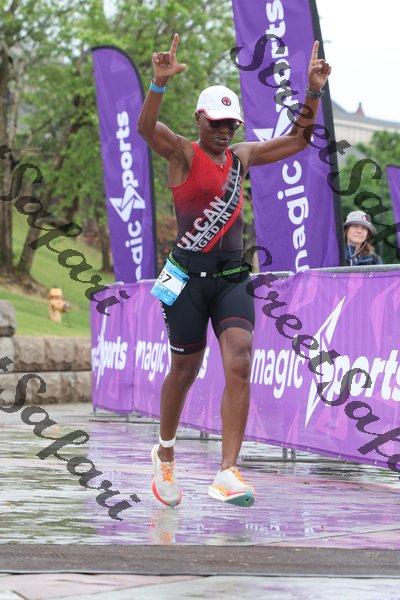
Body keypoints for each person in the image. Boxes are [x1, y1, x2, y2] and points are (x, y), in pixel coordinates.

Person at [137, 33, 331, 508]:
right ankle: (165, 453)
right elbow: (146, 128)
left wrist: (312, 91)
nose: (225, 132)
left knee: (240, 360)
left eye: (231, 124)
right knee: (184, 369)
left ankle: (227, 470)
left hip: (230, 278)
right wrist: (158, 84)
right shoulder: (182, 153)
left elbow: (298, 139)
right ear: (200, 120)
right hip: (186, 279)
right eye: (217, 123)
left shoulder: (241, 158)